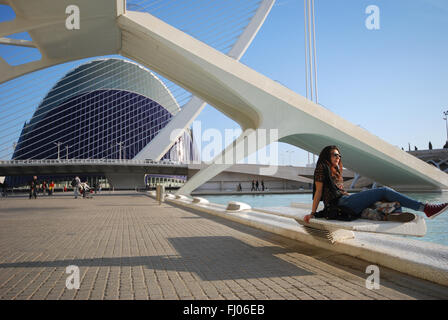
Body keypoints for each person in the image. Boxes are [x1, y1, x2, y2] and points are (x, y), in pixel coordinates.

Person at [304, 145, 448, 224]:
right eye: (335, 154)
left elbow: (338, 191)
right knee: (384, 190)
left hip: (345, 201)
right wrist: (312, 213)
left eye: (339, 155)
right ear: (327, 156)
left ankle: (391, 215)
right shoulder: (322, 167)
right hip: (341, 204)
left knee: (382, 201)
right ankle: (426, 208)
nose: (338, 157)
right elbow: (318, 192)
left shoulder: (335, 171)